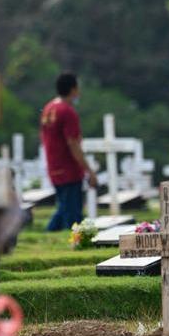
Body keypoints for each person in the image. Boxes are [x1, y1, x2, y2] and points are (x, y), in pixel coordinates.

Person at [40, 73, 96, 231]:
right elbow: (73, 143)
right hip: (69, 169)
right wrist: (89, 171)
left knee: (63, 209)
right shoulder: (67, 112)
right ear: (73, 89)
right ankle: (74, 243)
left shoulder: (48, 109)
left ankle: (47, 238)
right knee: (73, 216)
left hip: (54, 167)